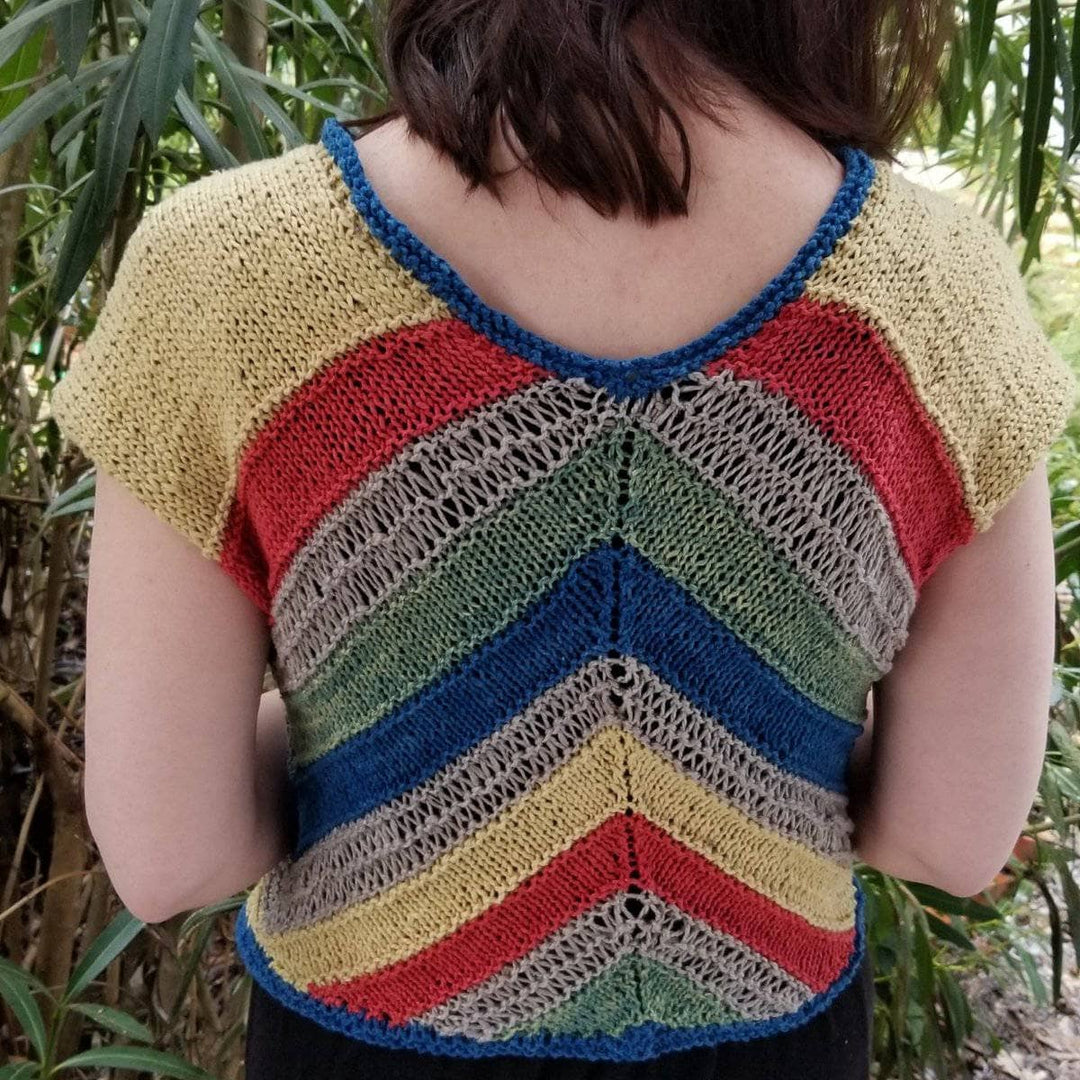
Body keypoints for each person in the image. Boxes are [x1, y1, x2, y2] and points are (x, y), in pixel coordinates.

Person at [50, 1, 1077, 1078]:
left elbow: (172, 852)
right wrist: (743, 736)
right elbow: (950, 835)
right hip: (773, 1042)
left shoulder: (229, 270)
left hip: (366, 1040)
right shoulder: (937, 292)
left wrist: (398, 732)